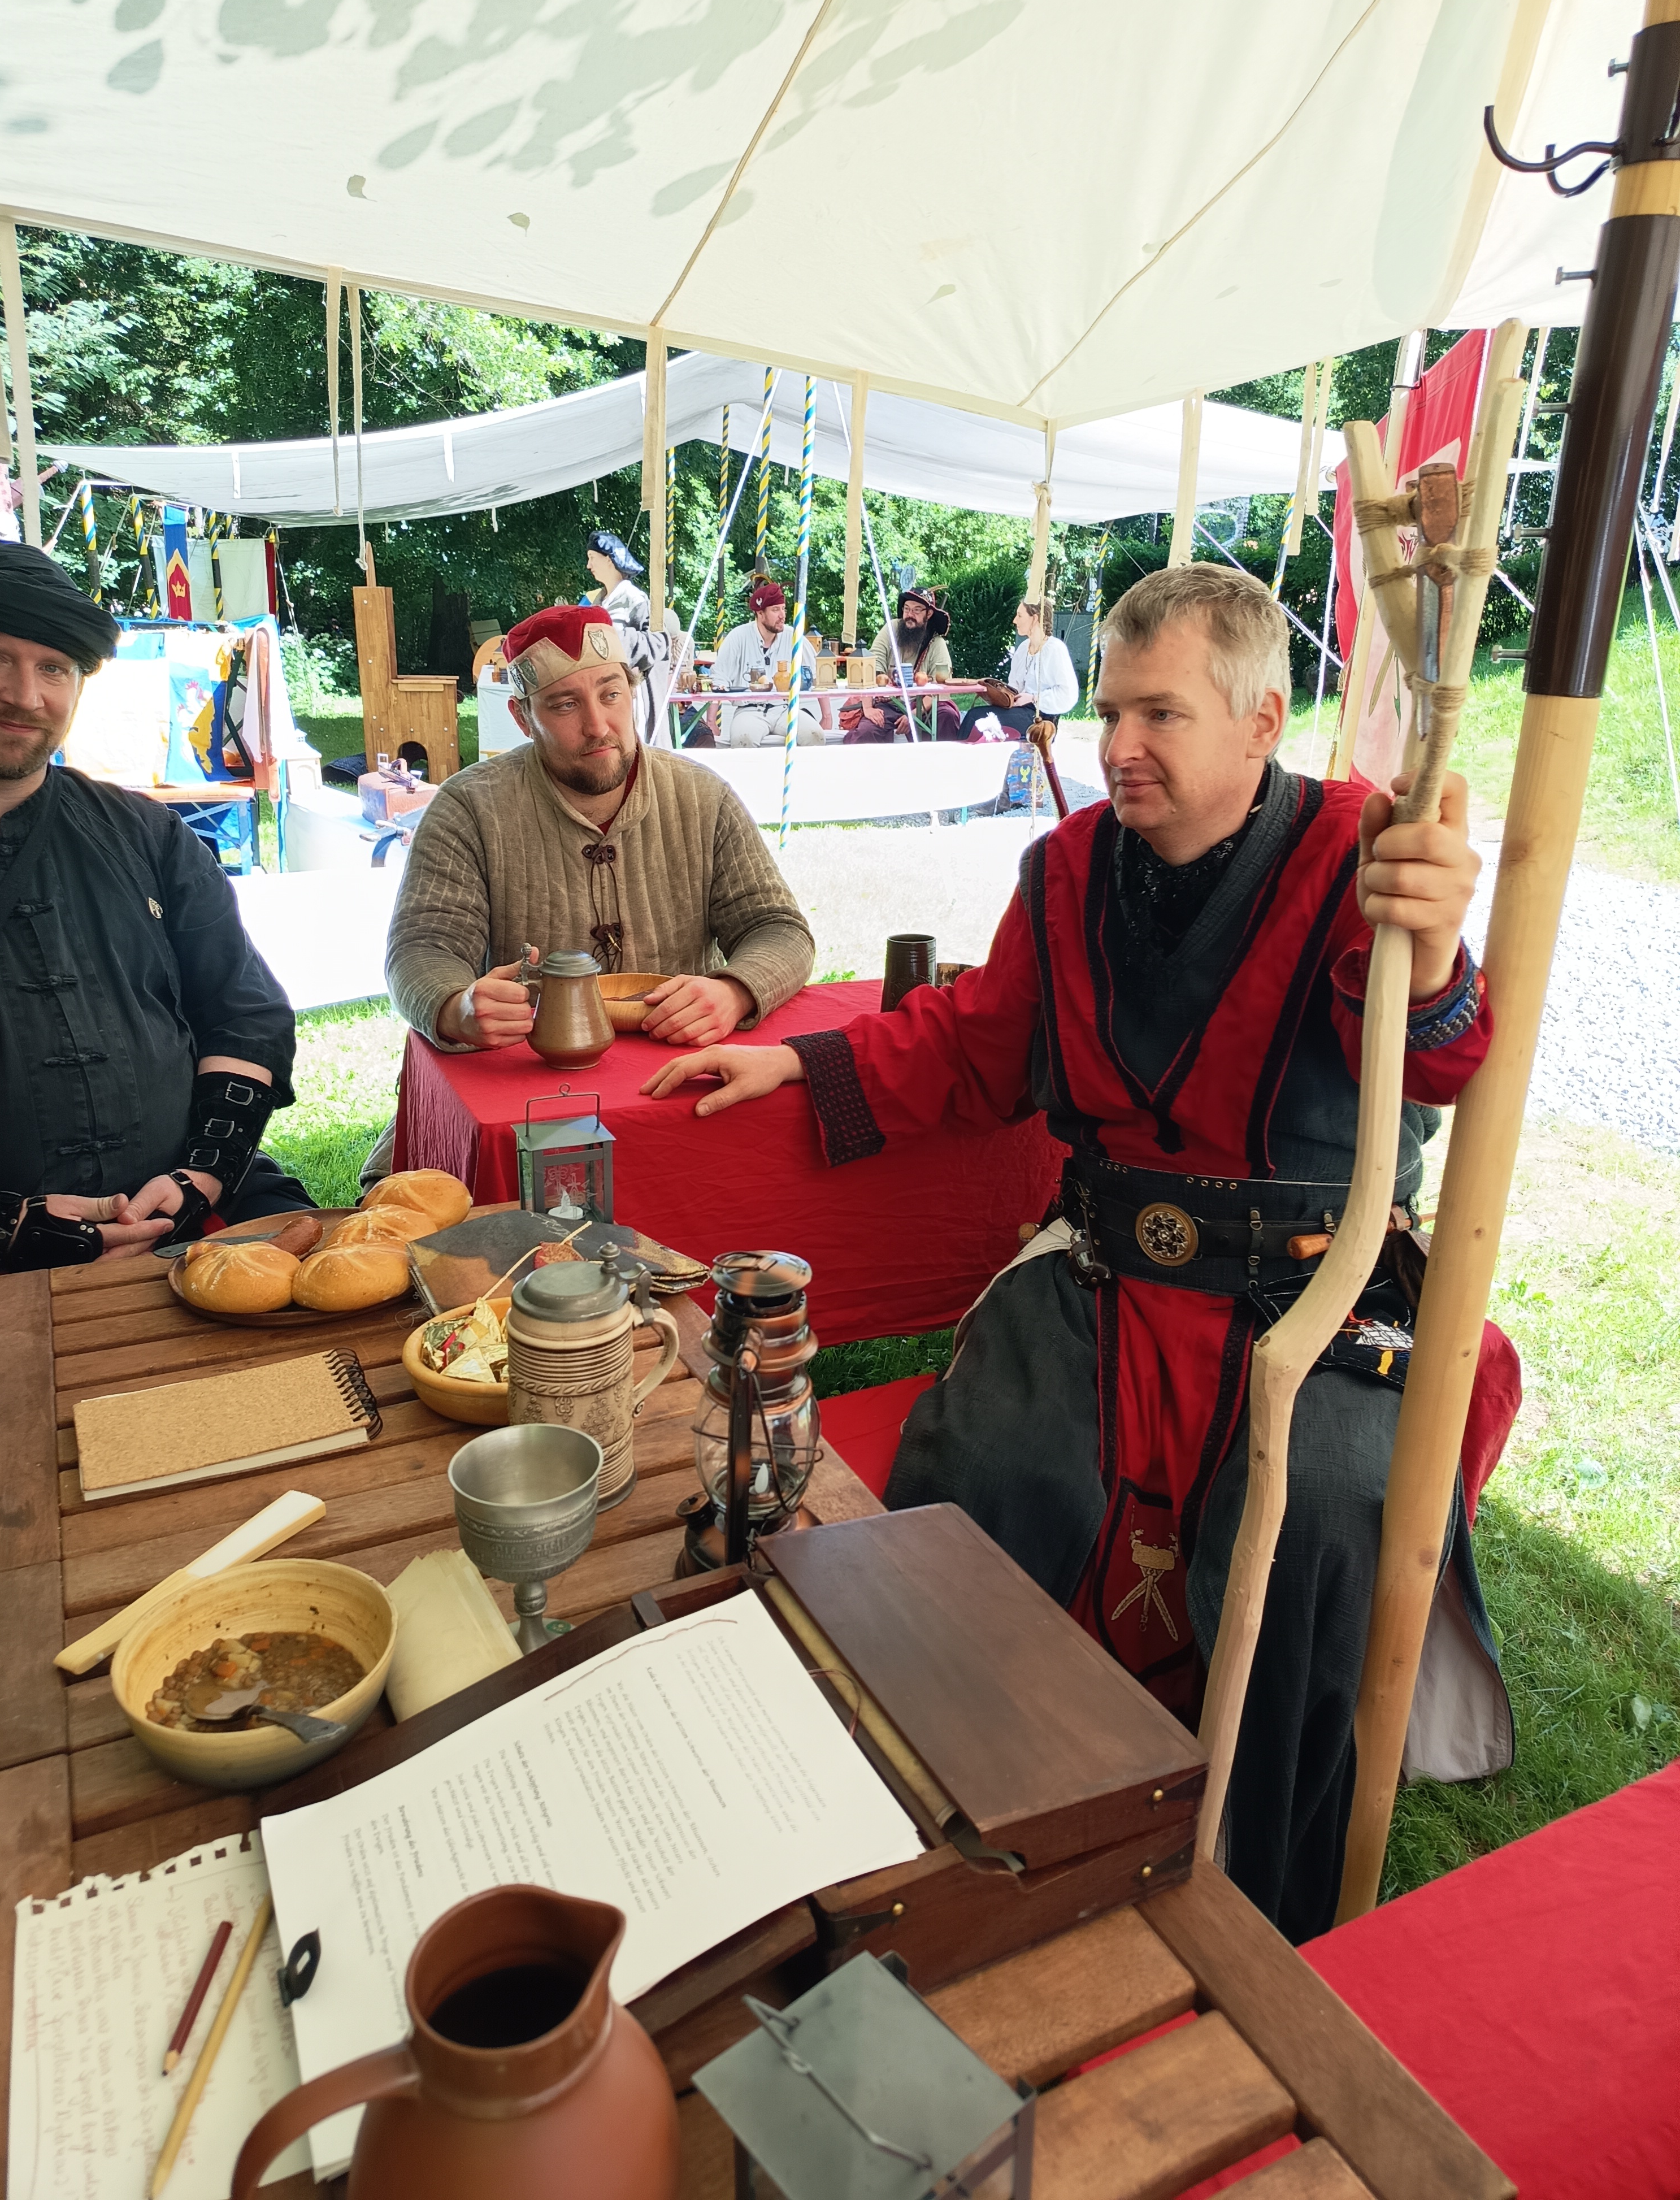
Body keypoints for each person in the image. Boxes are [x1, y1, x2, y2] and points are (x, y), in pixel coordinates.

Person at [641, 562, 1517, 1943]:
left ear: (1260, 721)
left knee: (1324, 1519)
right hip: (1105, 1264)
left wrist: (1438, 937)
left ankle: (1249, 1907)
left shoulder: (1358, 850)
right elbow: (977, 1042)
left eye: (1161, 714)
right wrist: (800, 1061)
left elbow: (1443, 1059)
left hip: (1315, 1286)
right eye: (1112, 711)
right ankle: (971, 1805)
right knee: (988, 1464)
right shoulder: (1061, 869)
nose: (1119, 744)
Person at [0, 541, 310, 1270]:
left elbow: (245, 1015)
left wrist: (201, 1176)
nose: (26, 696)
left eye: (54, 668)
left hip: (188, 1215)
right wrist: (4, 1226)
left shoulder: (148, 835)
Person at [385, 604, 814, 1081]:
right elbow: (424, 948)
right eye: (565, 705)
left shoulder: (703, 797)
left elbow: (778, 928)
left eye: (611, 695)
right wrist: (455, 1007)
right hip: (528, 1077)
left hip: (685, 1069)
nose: (598, 725)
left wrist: (736, 990)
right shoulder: (469, 808)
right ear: (523, 717)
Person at [704, 580, 827, 747]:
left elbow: (816, 675)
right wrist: (711, 722)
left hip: (785, 708)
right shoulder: (738, 637)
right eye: (776, 610)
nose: (782, 615)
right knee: (744, 740)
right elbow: (719, 679)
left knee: (815, 736)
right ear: (760, 614)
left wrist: (827, 716)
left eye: (783, 609)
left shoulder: (793, 636)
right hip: (749, 710)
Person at [958, 598, 1079, 740]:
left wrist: (1034, 698)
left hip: (1040, 718)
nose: (1015, 620)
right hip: (1019, 711)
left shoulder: (1055, 649)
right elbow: (1015, 686)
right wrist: (999, 695)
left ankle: (959, 752)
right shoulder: (1023, 649)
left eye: (1020, 616)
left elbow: (1068, 695)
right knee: (974, 714)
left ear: (1035, 619)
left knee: (976, 718)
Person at [871, 587, 953, 686]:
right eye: (907, 609)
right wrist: (880, 680)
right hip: (886, 694)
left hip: (923, 696)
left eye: (916, 610)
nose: (910, 614)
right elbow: (874, 661)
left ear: (929, 614)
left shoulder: (936, 643)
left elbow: (942, 685)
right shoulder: (892, 628)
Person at [584, 531, 652, 630]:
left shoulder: (635, 599)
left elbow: (651, 638)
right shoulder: (597, 602)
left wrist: (619, 637)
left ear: (609, 559)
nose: (589, 565)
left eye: (592, 557)